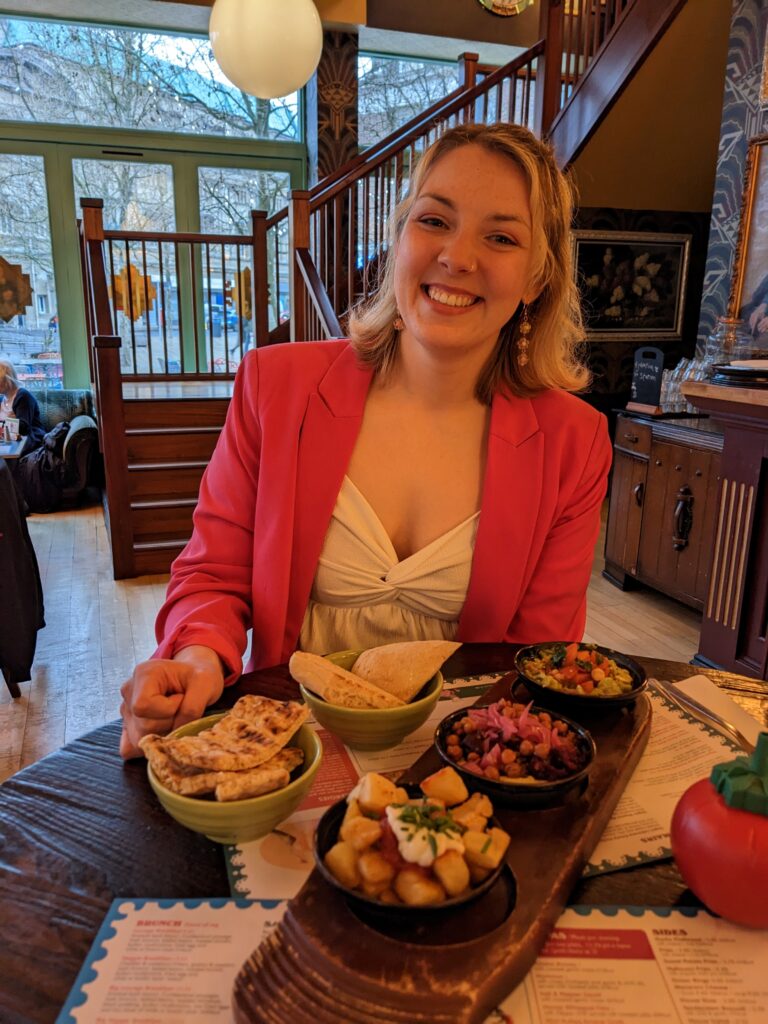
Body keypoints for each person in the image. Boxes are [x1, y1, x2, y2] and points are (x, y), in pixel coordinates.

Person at [119, 123, 613, 759]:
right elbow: (215, 572)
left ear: (538, 278)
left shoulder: (576, 441)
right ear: (400, 237)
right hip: (288, 747)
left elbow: (535, 658)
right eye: (435, 221)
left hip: (463, 757)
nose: (458, 257)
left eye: (500, 237)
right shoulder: (276, 385)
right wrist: (196, 656)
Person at [0, 359, 45, 454]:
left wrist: (2, 426)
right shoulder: (2, 399)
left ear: (7, 380)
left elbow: (23, 427)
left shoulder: (23, 396)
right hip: (8, 440)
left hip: (27, 438)